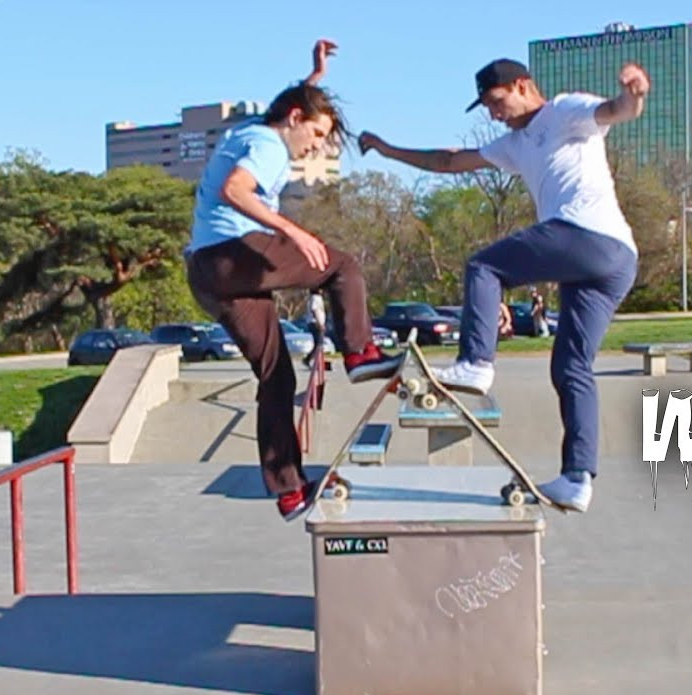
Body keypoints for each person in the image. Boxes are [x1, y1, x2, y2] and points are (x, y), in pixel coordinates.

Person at [358, 58, 648, 512]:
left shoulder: (565, 110)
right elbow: (449, 161)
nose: (495, 114)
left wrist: (634, 94)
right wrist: (389, 151)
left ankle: (476, 361)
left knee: (484, 267)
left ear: (522, 85)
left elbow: (615, 111)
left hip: (587, 235)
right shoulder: (515, 144)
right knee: (570, 367)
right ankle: (577, 478)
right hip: (613, 262)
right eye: (488, 108)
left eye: (497, 102)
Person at [185, 39, 403, 521]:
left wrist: (315, 77)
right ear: (295, 119)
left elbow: (290, 102)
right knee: (339, 265)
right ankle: (360, 354)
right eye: (317, 134)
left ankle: (288, 488)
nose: (316, 146)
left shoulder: (254, 128)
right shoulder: (266, 143)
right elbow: (234, 190)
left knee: (277, 376)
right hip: (234, 253)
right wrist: (292, 230)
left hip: (207, 274)